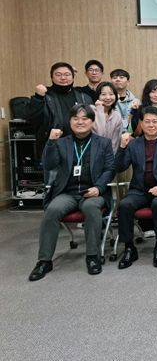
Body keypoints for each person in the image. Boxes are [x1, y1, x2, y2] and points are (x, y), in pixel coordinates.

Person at [28, 105, 115, 281]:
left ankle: (93, 256)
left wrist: (99, 187)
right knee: (52, 210)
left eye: (85, 118)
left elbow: (110, 169)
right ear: (70, 122)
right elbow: (49, 164)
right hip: (67, 192)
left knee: (91, 208)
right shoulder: (61, 142)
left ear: (92, 122)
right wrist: (51, 142)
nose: (80, 122)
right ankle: (44, 260)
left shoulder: (103, 143)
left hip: (92, 192)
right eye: (76, 118)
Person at [115, 106, 157, 269]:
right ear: (141, 123)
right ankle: (129, 248)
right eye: (147, 122)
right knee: (124, 205)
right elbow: (119, 167)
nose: (151, 125)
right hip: (139, 190)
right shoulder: (134, 144)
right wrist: (122, 147)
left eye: (155, 121)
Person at [26, 62, 93, 152]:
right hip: (51, 146)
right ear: (52, 77)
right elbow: (33, 119)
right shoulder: (45, 96)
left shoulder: (83, 97)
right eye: (58, 75)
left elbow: (91, 122)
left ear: (73, 77)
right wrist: (38, 98)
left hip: (80, 145)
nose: (63, 78)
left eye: (67, 74)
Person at [92, 81, 123, 153]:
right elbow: (100, 133)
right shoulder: (91, 112)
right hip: (92, 154)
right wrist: (100, 110)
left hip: (109, 155)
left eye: (111, 94)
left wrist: (111, 157)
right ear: (98, 96)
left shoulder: (116, 116)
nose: (108, 97)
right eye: (103, 94)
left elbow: (115, 142)